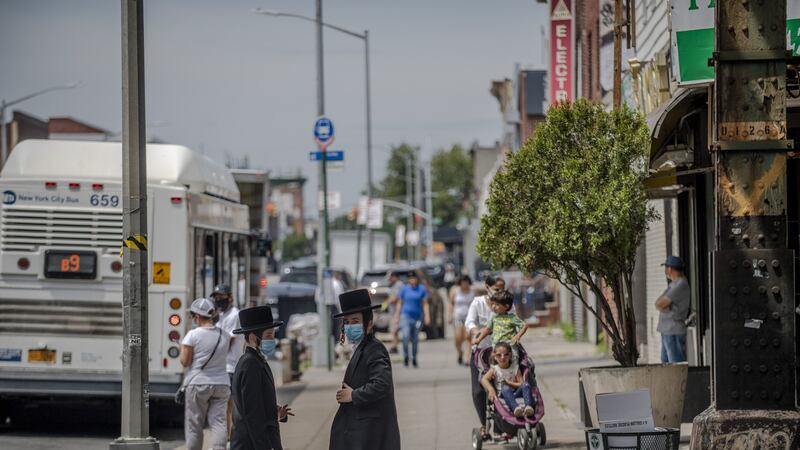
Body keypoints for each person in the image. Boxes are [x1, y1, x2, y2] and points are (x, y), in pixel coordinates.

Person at [330, 288, 401, 450]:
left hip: (370, 435)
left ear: (368, 324)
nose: (349, 326)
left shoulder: (374, 349)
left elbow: (382, 384)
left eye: (355, 321)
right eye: (346, 322)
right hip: (361, 434)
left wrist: (353, 395)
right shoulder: (361, 348)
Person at [230, 305, 293, 450]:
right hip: (251, 443)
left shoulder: (256, 360)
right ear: (253, 337)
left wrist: (276, 412)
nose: (273, 340)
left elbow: (258, 403)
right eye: (269, 335)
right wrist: (265, 446)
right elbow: (252, 413)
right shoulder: (250, 363)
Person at [180, 298, 233, 450]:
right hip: (222, 383)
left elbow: (185, 362)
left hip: (198, 384)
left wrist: (181, 349)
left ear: (196, 316)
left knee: (194, 424)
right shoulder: (225, 335)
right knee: (219, 422)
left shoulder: (193, 335)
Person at [464, 276, 505, 434]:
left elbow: (515, 321)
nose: (500, 292)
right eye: (496, 289)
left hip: (502, 354)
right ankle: (483, 423)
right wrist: (476, 332)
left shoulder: (507, 303)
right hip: (480, 352)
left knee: (502, 388)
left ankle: (503, 422)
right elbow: (469, 322)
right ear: (487, 287)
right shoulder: (478, 303)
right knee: (478, 391)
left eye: (502, 289)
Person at [212, 283, 244, 439]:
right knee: (225, 405)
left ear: (230, 297)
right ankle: (229, 436)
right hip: (223, 367)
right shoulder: (222, 315)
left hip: (230, 366)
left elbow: (228, 341)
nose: (218, 300)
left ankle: (232, 436)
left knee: (229, 404)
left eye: (221, 297)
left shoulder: (234, 315)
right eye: (216, 297)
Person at [480, 342, 535, 418]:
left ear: (510, 355)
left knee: (526, 384)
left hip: (516, 392)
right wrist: (490, 389)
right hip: (503, 394)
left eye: (506, 354)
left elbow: (521, 383)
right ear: (494, 356)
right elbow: (484, 379)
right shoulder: (495, 369)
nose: (502, 357)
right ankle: (515, 408)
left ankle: (528, 407)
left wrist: (509, 382)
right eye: (499, 355)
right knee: (505, 388)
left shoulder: (515, 368)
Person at [655, 255, 690, 363]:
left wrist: (665, 305)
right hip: (668, 331)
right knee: (666, 365)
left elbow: (660, 305)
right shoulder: (673, 284)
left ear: (670, 268)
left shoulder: (680, 285)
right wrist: (665, 304)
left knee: (675, 365)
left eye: (666, 267)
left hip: (674, 331)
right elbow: (658, 303)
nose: (665, 270)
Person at [394, 272, 430, 367]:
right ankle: (406, 356)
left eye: (414, 278)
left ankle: (414, 358)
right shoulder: (404, 289)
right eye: (410, 278)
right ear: (408, 280)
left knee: (415, 339)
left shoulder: (421, 289)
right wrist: (397, 316)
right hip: (405, 316)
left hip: (417, 317)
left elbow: (425, 303)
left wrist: (427, 316)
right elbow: (399, 303)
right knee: (405, 336)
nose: (412, 280)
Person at [449, 275, 474, 365]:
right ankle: (460, 352)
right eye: (463, 282)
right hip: (458, 317)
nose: (464, 284)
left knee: (468, 338)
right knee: (458, 338)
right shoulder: (455, 291)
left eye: (466, 282)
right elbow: (451, 303)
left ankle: (467, 358)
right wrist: (449, 315)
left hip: (469, 318)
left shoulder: (472, 291)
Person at [384, 271, 404, 354]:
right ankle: (395, 346)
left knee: (394, 330)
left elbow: (396, 297)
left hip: (397, 312)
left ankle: (394, 346)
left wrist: (386, 303)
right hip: (395, 312)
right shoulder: (395, 285)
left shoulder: (398, 285)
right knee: (394, 330)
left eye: (391, 278)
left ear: (395, 277)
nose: (390, 280)